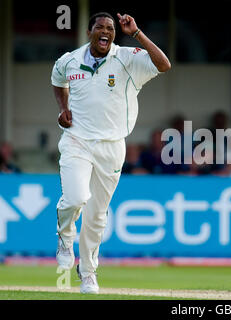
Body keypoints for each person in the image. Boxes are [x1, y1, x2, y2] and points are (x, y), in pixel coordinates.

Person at [51, 12, 170, 294]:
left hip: (112, 145)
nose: (106, 32)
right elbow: (58, 81)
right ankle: (65, 238)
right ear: (90, 31)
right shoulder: (69, 60)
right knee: (75, 198)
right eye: (100, 28)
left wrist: (137, 32)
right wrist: (62, 108)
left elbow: (164, 65)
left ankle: (88, 272)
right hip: (76, 140)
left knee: (97, 215)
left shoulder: (127, 58)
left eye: (111, 29)